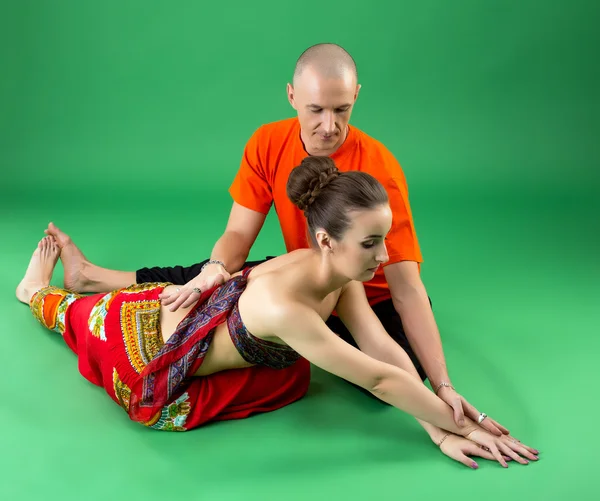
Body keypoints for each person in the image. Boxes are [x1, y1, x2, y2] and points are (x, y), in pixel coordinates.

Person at [45, 43, 505, 436]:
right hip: (317, 276)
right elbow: (237, 236)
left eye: (342, 109)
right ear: (291, 97)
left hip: (364, 291)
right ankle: (91, 277)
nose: (329, 125)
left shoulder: (380, 169)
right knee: (213, 274)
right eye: (315, 110)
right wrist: (213, 272)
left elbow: (406, 291)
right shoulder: (268, 144)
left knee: (395, 375)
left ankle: (303, 336)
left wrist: (443, 389)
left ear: (357, 98)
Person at [18, 157, 538, 468]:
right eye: (371, 244)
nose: (384, 258)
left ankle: (72, 290)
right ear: (328, 240)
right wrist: (465, 427)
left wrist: (436, 426)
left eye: (386, 240)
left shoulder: (333, 272)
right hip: (153, 354)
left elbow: (381, 349)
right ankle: (35, 289)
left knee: (299, 372)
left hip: (201, 323)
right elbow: (379, 380)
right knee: (75, 317)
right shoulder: (287, 307)